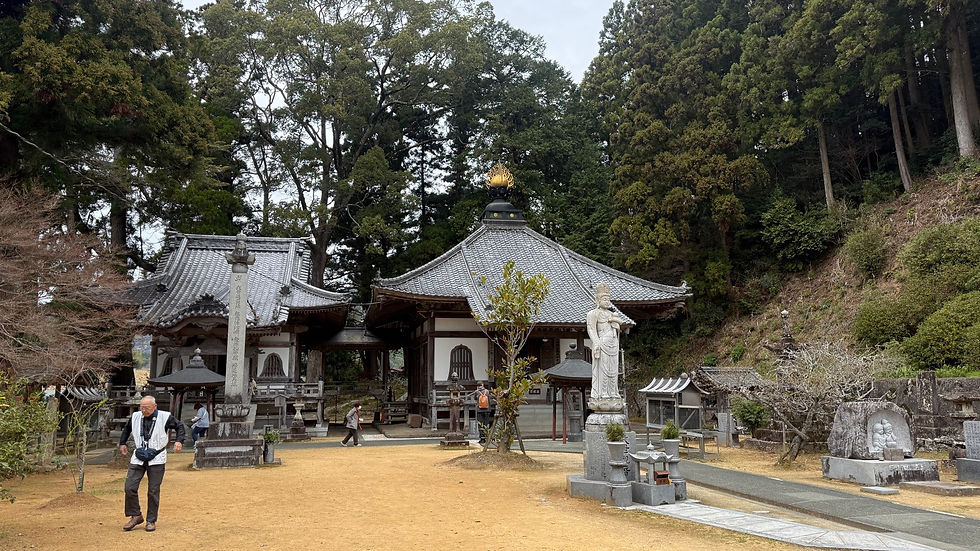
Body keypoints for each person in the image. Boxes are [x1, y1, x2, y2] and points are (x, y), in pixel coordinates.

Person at [119, 395, 185, 532]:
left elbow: (180, 426)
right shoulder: (136, 416)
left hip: (157, 456)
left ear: (155, 407)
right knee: (129, 486)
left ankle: (151, 520)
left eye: (147, 408)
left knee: (153, 490)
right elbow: (126, 429)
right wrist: (122, 443)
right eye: (142, 407)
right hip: (139, 455)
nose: (144, 410)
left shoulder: (165, 416)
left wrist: (179, 441)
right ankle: (136, 515)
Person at [586, 282, 623, 410]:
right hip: (602, 344)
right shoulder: (593, 313)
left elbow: (618, 327)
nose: (607, 302)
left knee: (613, 371)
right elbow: (591, 329)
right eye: (604, 299)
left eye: (608, 299)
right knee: (603, 371)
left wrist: (615, 324)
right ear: (598, 299)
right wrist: (596, 343)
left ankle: (613, 392)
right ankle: (602, 393)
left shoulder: (611, 314)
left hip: (613, 344)